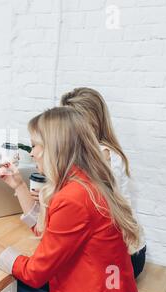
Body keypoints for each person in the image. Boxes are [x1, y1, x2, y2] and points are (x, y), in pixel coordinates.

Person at [0, 107, 141, 292]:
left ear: (55, 147)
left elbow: (34, 273)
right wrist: (19, 186)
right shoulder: (85, 182)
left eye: (34, 146)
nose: (31, 153)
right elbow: (50, 233)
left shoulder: (73, 198)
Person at [60, 87, 146, 278]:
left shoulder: (102, 155)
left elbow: (87, 210)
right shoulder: (97, 151)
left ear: (88, 121)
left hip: (123, 258)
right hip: (126, 250)